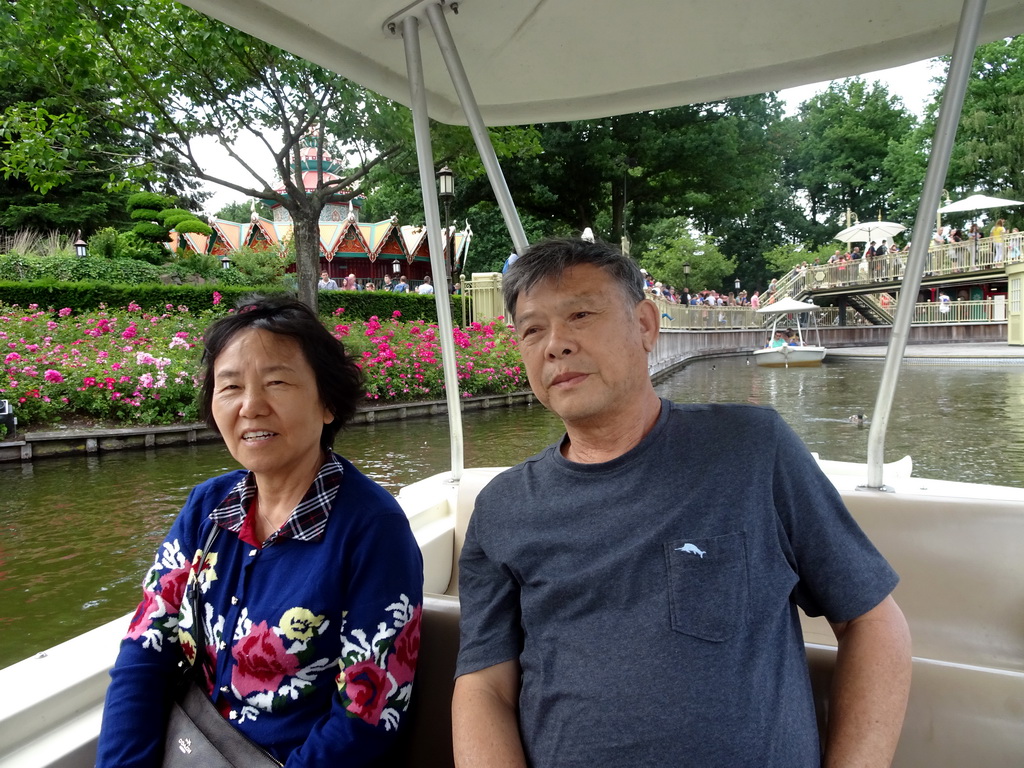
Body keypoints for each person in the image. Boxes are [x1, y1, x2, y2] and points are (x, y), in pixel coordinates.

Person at [452, 238, 911, 768]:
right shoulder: (504, 508)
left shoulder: (752, 452)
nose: (555, 344)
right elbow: (485, 686)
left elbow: (872, 622)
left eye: (580, 314)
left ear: (645, 325)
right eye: (532, 329)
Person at [96, 295, 423, 767]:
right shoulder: (207, 507)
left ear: (328, 403)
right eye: (230, 387)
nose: (251, 407)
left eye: (277, 382)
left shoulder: (374, 530)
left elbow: (365, 716)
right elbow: (146, 649)